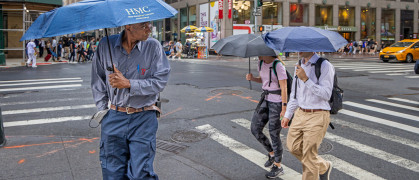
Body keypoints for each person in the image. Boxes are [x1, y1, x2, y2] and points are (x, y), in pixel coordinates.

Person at [91, 21, 170, 180]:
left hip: (143, 117)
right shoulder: (105, 45)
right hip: (114, 117)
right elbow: (97, 80)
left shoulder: (153, 47)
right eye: (144, 26)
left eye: (150, 25)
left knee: (141, 173)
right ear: (128, 26)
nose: (149, 29)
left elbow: (160, 81)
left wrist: (128, 84)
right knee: (112, 172)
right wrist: (104, 111)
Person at [281, 52, 334, 180]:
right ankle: (323, 167)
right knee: (293, 147)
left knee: (309, 157)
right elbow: (295, 94)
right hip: (300, 113)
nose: (298, 48)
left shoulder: (324, 65)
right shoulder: (299, 65)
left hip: (318, 114)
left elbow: (326, 94)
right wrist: (288, 115)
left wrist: (306, 79)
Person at [246, 56, 288, 178]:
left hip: (278, 102)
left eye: (259, 52)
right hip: (265, 99)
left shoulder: (278, 66)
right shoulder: (260, 63)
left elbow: (284, 87)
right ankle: (272, 153)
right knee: (255, 128)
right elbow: (264, 80)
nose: (257, 54)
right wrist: (253, 78)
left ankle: (278, 165)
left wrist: (284, 108)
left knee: (274, 133)